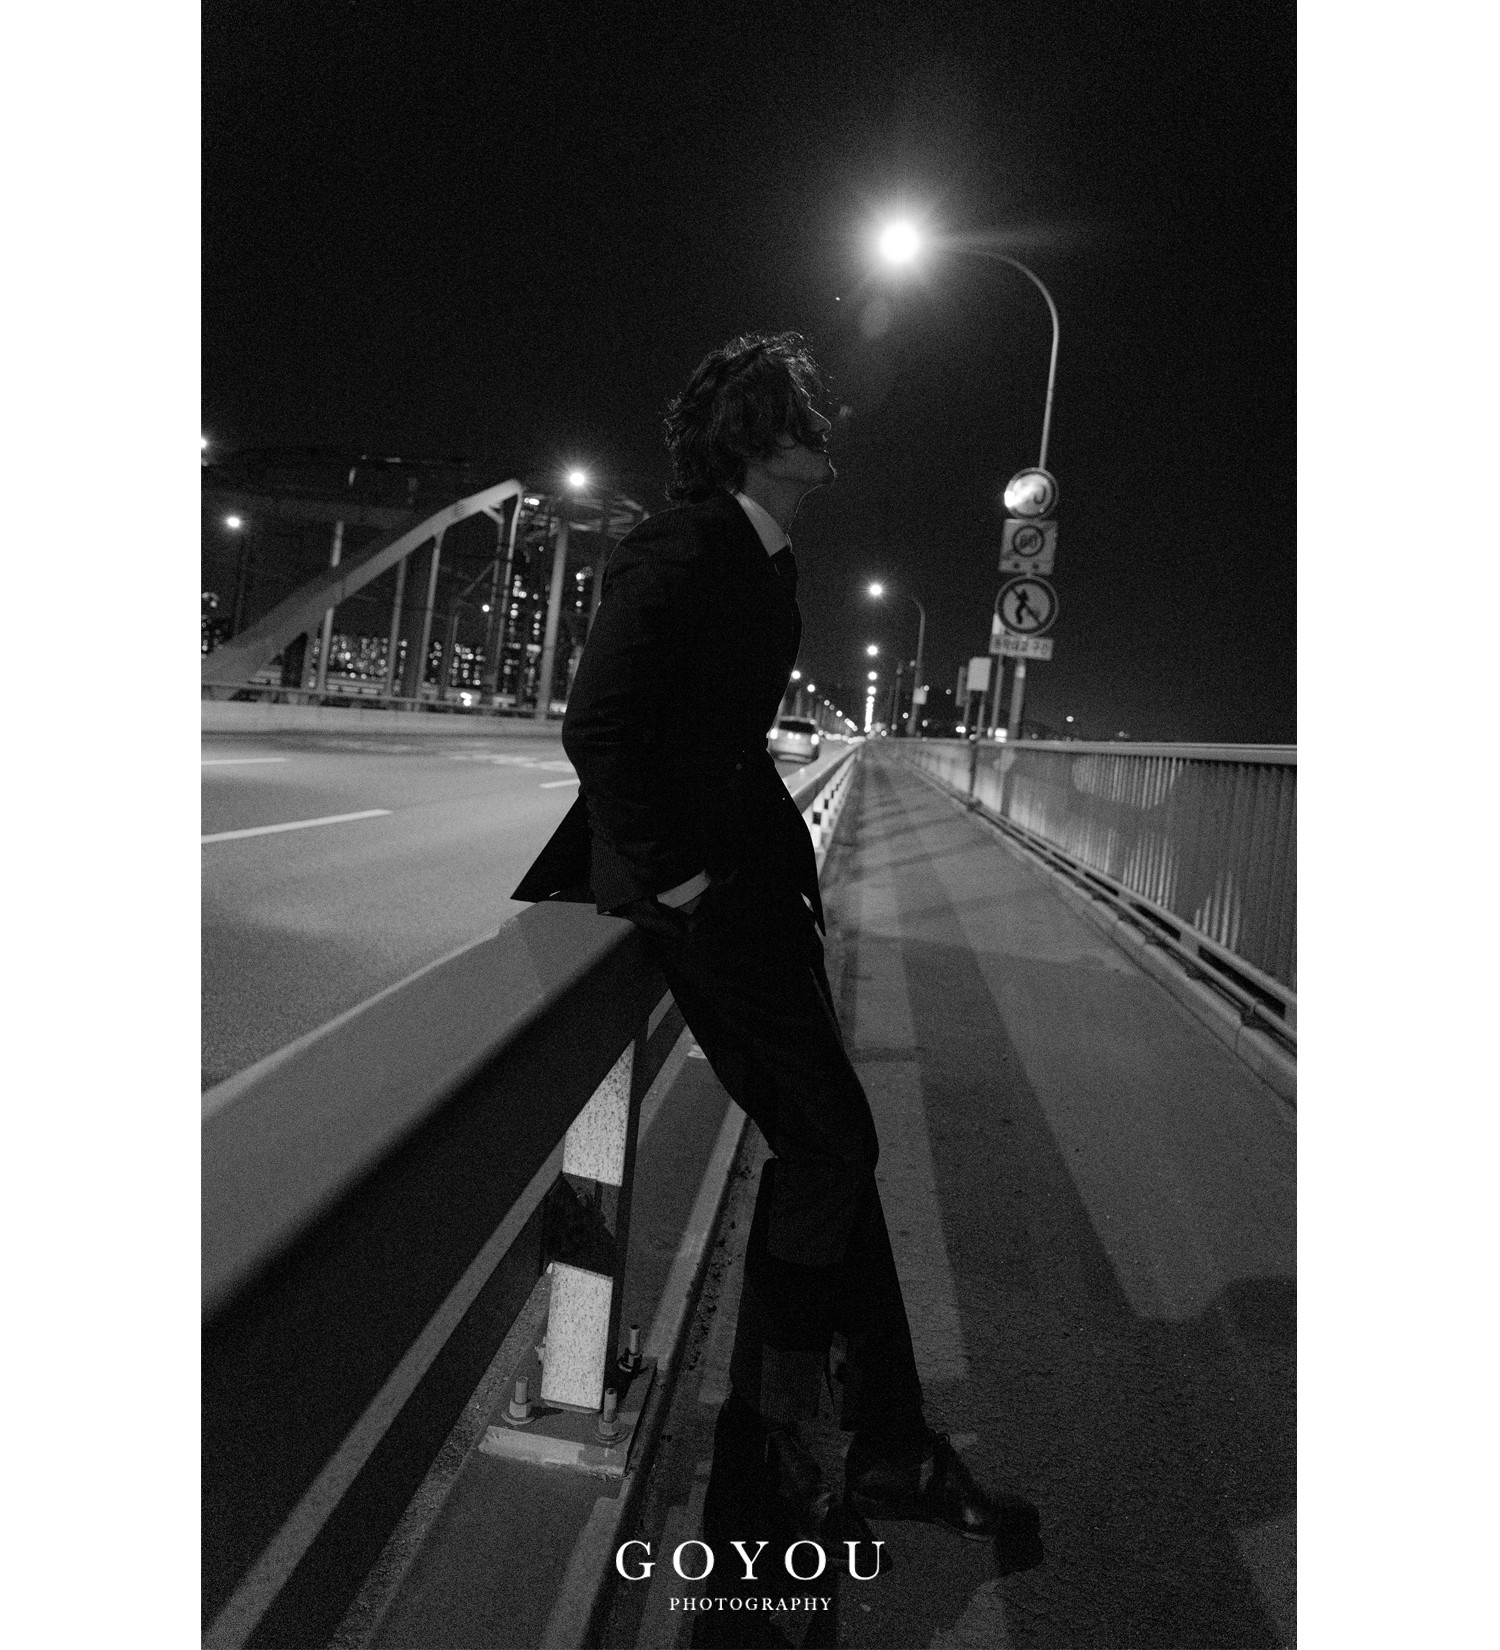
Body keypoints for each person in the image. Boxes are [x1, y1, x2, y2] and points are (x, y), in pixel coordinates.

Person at [514, 331, 1038, 1563]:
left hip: (750, 895)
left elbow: (717, 740)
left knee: (831, 1150)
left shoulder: (763, 557)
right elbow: (601, 726)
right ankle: (778, 1442)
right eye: (802, 412)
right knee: (832, 1145)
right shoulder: (682, 545)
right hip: (706, 905)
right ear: (754, 439)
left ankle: (878, 1440)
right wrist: (681, 879)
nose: (824, 427)